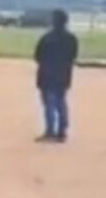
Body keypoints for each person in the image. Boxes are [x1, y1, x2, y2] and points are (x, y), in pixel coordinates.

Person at [34, 9, 79, 143]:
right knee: (61, 103)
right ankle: (62, 131)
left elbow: (37, 56)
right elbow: (73, 56)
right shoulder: (72, 39)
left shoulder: (46, 38)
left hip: (47, 75)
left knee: (49, 104)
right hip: (64, 75)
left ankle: (50, 131)